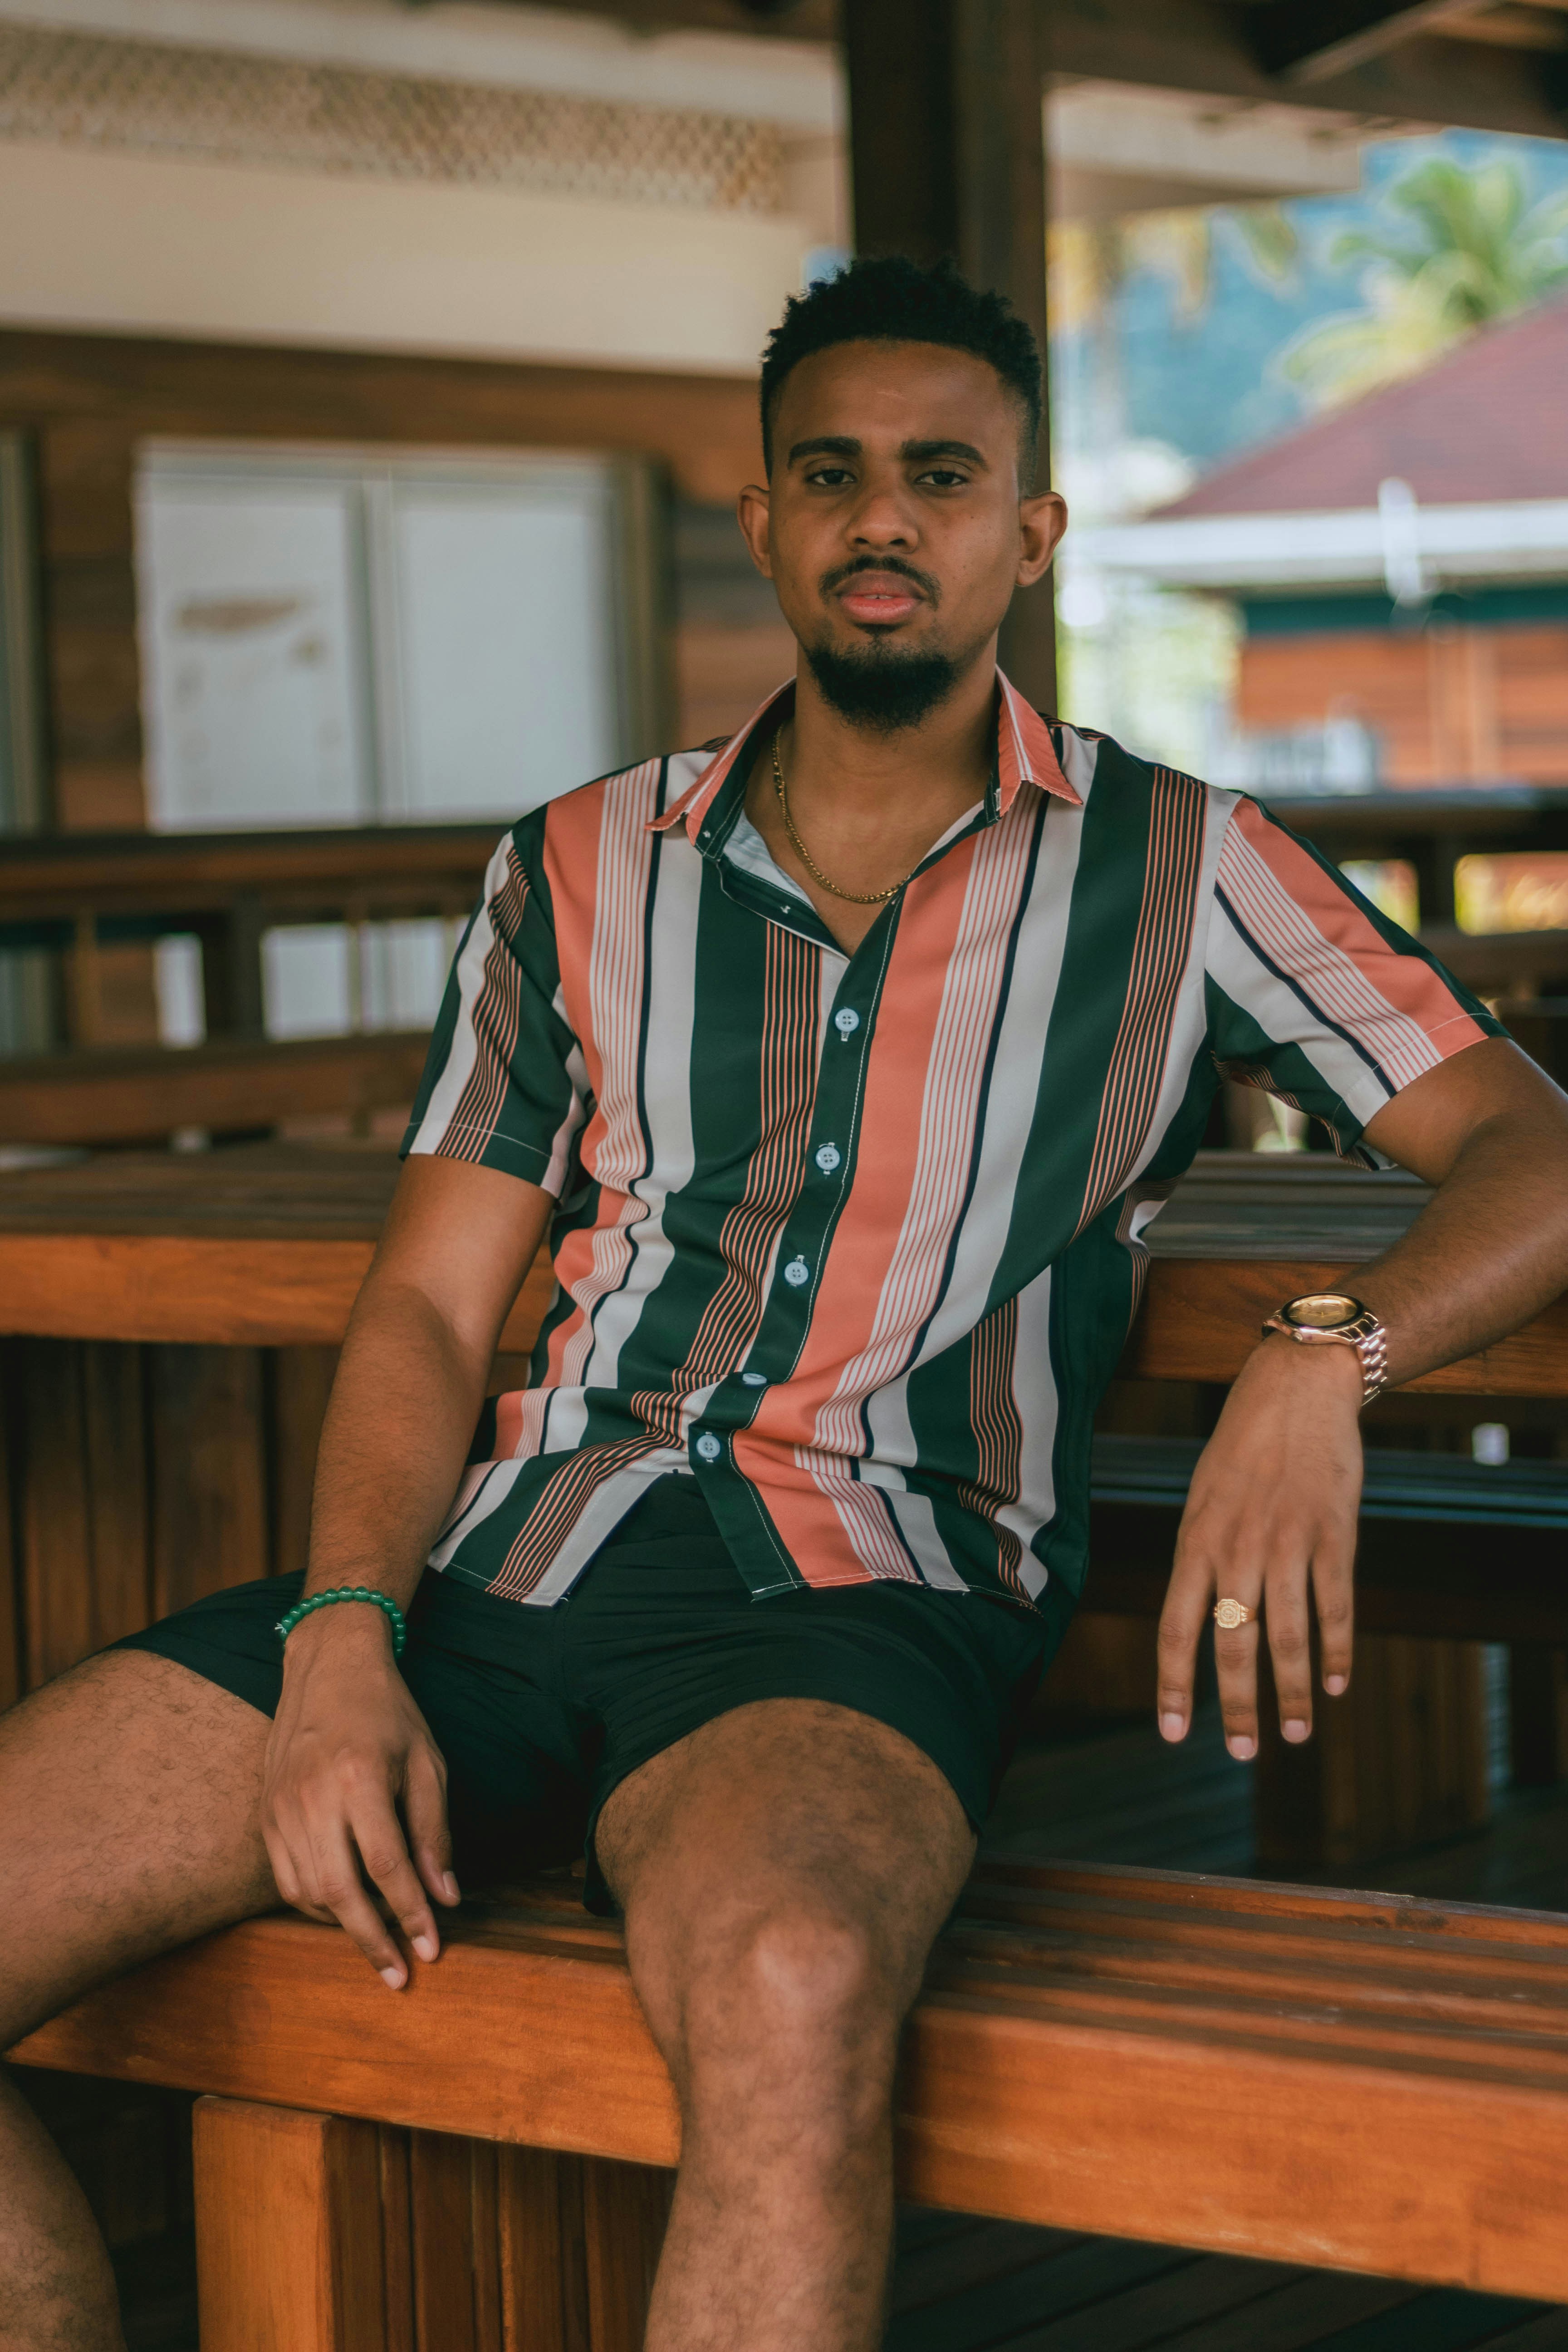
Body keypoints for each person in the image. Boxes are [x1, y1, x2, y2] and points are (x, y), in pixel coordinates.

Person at [5, 255, 1568, 2352]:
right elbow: (427, 1312)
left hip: (865, 1595)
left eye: (944, 475)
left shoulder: (1189, 867)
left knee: (794, 1984)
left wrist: (1331, 1353)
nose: (882, 516)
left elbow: (1535, 1145)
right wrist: (344, 1631)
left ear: (1033, 532)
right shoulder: (574, 867)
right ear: (762, 521)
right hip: (490, 1570)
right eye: (829, 474)